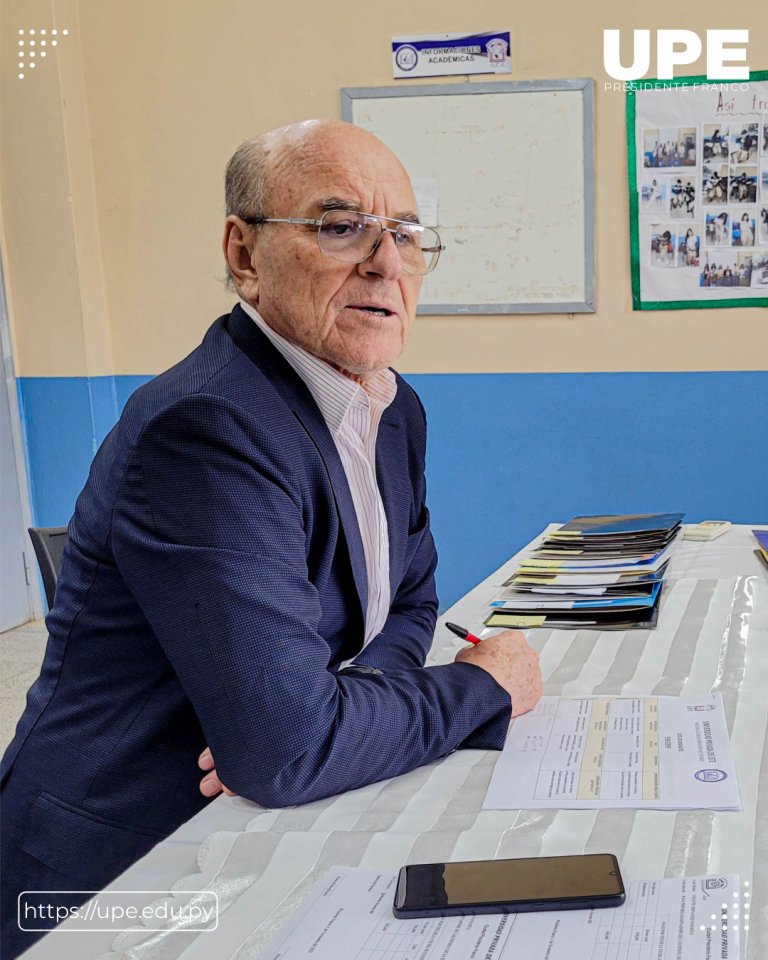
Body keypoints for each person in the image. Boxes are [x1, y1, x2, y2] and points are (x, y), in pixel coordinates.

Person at [0, 119, 542, 959]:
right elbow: (286, 750)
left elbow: (410, 601)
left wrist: (341, 714)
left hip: (260, 830)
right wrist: (483, 686)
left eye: (403, 234)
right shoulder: (208, 426)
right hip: (115, 872)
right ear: (245, 256)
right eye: (340, 227)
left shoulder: (392, 409)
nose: (387, 264)